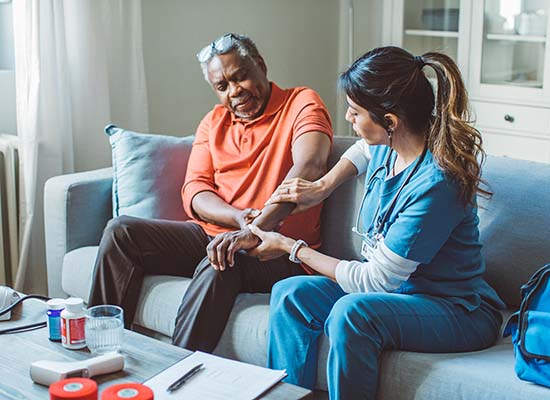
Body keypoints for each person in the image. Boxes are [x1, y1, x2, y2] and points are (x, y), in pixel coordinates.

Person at [247, 46, 506, 400]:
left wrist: (291, 248)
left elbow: (374, 280)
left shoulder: (436, 183)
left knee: (351, 313)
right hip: (399, 295)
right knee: (290, 293)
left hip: (456, 310)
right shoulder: (389, 143)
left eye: (355, 112)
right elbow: (361, 151)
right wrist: (322, 187)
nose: (349, 120)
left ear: (391, 120)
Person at [88, 33, 333, 352]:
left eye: (240, 77)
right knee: (121, 232)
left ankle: (174, 372)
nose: (235, 92)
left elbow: (310, 166)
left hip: (277, 249)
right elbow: (195, 190)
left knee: (222, 259)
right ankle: (98, 350)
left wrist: (255, 229)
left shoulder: (301, 102)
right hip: (219, 234)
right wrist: (236, 217)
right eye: (222, 87)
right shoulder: (213, 122)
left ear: (260, 65)